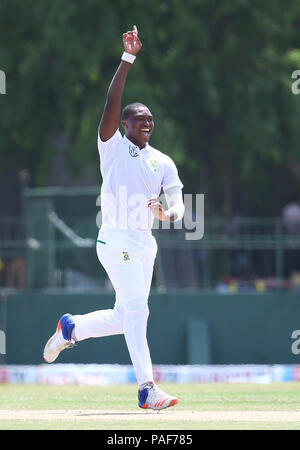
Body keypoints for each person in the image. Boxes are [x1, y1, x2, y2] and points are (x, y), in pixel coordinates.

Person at [43, 26, 184, 411]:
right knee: (140, 311)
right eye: (139, 119)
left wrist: (170, 214)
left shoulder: (163, 161)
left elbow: (178, 203)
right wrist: (128, 57)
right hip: (115, 238)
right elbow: (112, 99)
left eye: (150, 119)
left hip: (145, 244)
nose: (147, 123)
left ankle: (72, 328)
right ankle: (146, 389)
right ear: (123, 125)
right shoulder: (112, 147)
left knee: (126, 316)